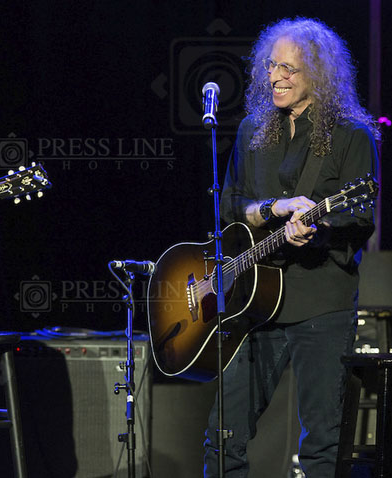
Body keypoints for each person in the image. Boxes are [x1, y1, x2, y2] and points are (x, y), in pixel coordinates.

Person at [203, 18, 379, 477]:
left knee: (321, 443)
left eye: (288, 68)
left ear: (317, 76)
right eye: (269, 65)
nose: (274, 76)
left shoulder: (351, 137)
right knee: (223, 436)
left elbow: (358, 219)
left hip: (320, 301)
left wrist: (318, 230)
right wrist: (274, 208)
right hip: (252, 305)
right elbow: (231, 209)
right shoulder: (252, 132)